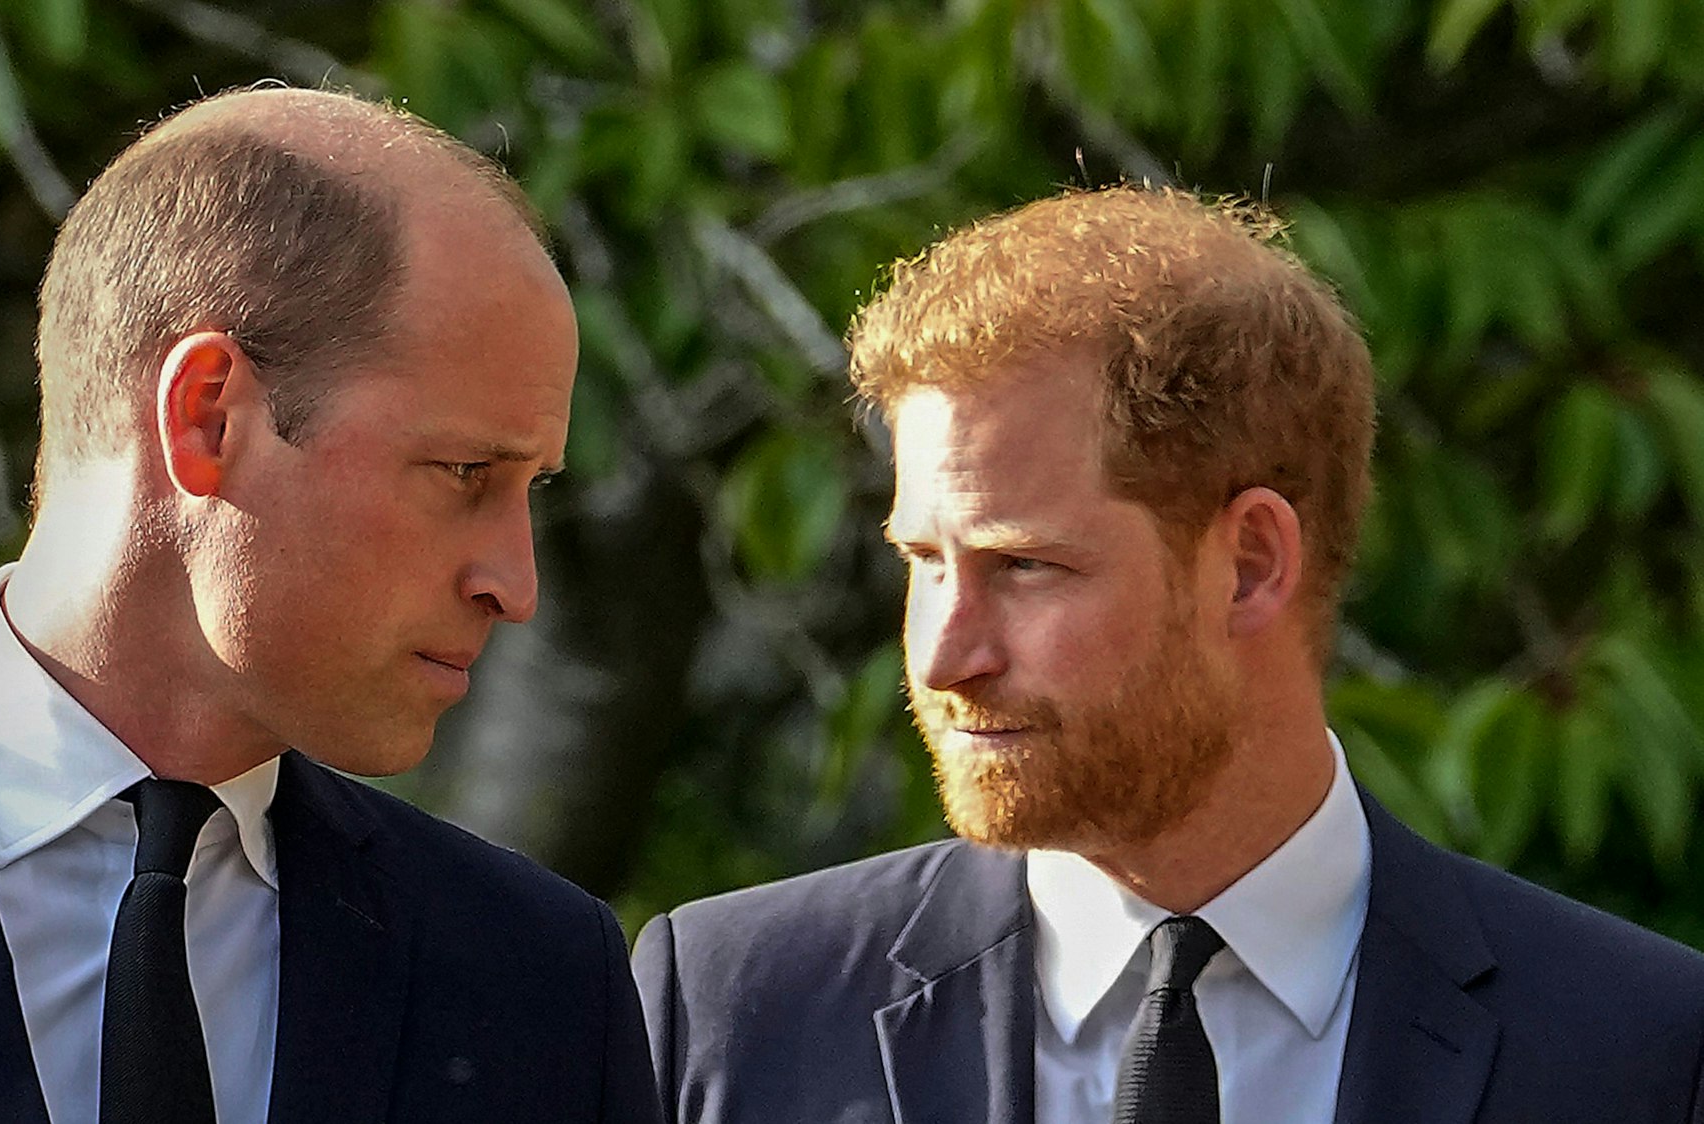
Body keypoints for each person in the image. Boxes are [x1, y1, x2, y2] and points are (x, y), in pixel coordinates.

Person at [632, 185, 1704, 1123]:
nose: (944, 656)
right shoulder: (733, 1006)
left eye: (1024, 565)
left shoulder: (1637, 1049)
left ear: (1249, 563)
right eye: (922, 559)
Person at [0, 87, 658, 1123]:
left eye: (532, 487)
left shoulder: (538, 979)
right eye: (465, 471)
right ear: (207, 415)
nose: (514, 585)